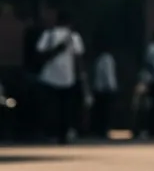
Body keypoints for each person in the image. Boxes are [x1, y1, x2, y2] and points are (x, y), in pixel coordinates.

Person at [34, 10, 85, 144]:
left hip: (48, 77)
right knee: (66, 109)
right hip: (68, 78)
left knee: (50, 108)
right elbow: (78, 58)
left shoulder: (48, 35)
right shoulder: (74, 37)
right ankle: (63, 134)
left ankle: (50, 133)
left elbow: (39, 52)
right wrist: (81, 75)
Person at [90, 44, 118, 139]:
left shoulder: (99, 59)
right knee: (106, 112)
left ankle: (100, 130)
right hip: (106, 90)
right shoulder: (107, 59)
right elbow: (108, 75)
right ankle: (103, 130)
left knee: (101, 112)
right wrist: (112, 87)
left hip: (99, 89)